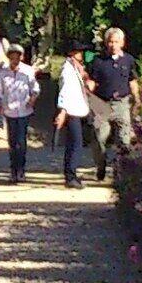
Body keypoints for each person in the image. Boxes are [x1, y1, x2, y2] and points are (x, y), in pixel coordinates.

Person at [85, 26, 142, 175]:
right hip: (102, 104)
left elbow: (132, 80)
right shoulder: (98, 61)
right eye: (110, 42)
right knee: (99, 138)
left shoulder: (128, 60)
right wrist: (89, 87)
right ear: (106, 43)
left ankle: (123, 171)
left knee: (124, 140)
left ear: (122, 43)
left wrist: (137, 99)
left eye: (116, 42)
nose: (113, 45)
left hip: (122, 103)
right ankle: (101, 165)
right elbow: (91, 80)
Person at [0, 46, 42, 182]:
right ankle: (13, 170)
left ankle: (21, 170)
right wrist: (0, 106)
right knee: (12, 142)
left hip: (24, 110)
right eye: (12, 58)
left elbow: (35, 88)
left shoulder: (28, 71)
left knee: (21, 141)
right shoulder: (3, 73)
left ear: (21, 57)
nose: (14, 61)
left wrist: (32, 100)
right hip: (10, 111)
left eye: (17, 57)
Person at [51, 44, 95, 187]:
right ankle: (71, 175)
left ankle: (70, 173)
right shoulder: (67, 70)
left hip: (79, 108)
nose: (81, 55)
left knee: (73, 143)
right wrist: (62, 111)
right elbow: (64, 91)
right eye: (78, 52)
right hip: (71, 109)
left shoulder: (77, 68)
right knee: (76, 143)